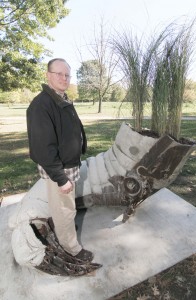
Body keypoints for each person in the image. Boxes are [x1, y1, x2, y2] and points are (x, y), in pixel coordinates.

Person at [27, 58, 93, 262]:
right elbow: (43, 147)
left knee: (65, 207)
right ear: (48, 75)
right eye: (59, 74)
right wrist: (60, 178)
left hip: (68, 165)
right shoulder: (41, 105)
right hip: (60, 170)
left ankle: (63, 227)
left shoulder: (60, 98)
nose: (64, 78)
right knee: (65, 209)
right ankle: (71, 248)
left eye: (67, 75)